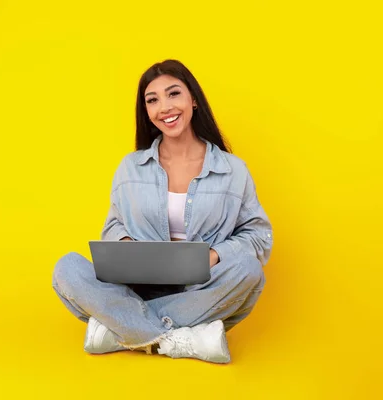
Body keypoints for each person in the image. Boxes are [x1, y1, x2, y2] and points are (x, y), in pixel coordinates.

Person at [52, 59, 273, 364]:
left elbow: (258, 236)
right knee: (67, 268)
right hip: (133, 287)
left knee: (249, 271)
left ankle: (122, 330)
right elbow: (114, 225)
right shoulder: (131, 166)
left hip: (200, 289)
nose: (164, 107)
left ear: (193, 100)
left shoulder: (232, 169)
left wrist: (215, 256)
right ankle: (181, 340)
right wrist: (126, 246)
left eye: (173, 94)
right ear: (146, 111)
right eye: (152, 100)